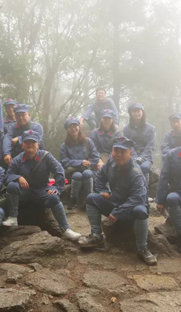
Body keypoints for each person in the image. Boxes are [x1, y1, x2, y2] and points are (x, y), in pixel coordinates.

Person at [78, 136, 158, 265]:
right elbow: (100, 176)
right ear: (112, 151)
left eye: (123, 152)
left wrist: (118, 212)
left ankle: (142, 248)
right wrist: (103, 190)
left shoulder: (136, 172)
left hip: (131, 210)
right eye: (116, 151)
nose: (118, 155)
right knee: (91, 198)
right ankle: (96, 236)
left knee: (141, 211)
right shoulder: (111, 162)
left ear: (130, 153)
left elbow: (138, 198)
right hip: (115, 203)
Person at [2, 130, 82, 242]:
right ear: (22, 145)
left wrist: (56, 188)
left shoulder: (46, 156)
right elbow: (7, 176)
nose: (30, 145)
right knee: (12, 185)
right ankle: (13, 217)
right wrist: (18, 177)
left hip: (42, 191)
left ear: (38, 145)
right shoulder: (17, 160)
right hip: (25, 192)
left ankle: (66, 230)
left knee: (54, 197)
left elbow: (59, 170)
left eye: (33, 142)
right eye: (27, 142)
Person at [59, 117, 100, 210]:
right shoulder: (64, 146)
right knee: (77, 175)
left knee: (87, 173)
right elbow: (63, 161)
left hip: (88, 170)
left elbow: (95, 156)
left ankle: (90, 199)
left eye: (75, 126)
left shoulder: (88, 141)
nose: (73, 129)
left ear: (79, 127)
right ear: (67, 129)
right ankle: (73, 199)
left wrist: (89, 162)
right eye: (70, 127)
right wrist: (80, 162)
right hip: (73, 172)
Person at [123, 102, 156, 180]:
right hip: (132, 156)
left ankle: (145, 187)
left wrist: (142, 157)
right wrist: (134, 157)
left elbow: (151, 145)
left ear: (142, 112)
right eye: (134, 111)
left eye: (138, 111)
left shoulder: (150, 128)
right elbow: (128, 144)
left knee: (144, 167)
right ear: (131, 113)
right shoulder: (126, 129)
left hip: (146, 157)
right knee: (134, 167)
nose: (136, 113)